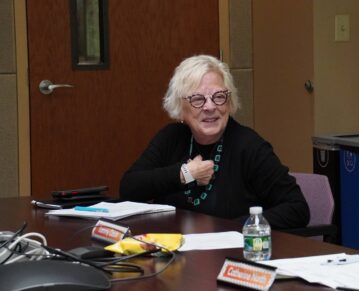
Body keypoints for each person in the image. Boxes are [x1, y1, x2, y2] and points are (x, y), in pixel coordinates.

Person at [120, 55, 310, 229]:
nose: (210, 107)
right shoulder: (171, 138)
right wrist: (185, 174)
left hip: (230, 256)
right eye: (198, 99)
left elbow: (297, 208)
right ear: (180, 106)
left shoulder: (249, 146)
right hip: (174, 255)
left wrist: (233, 228)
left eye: (219, 97)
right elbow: (129, 188)